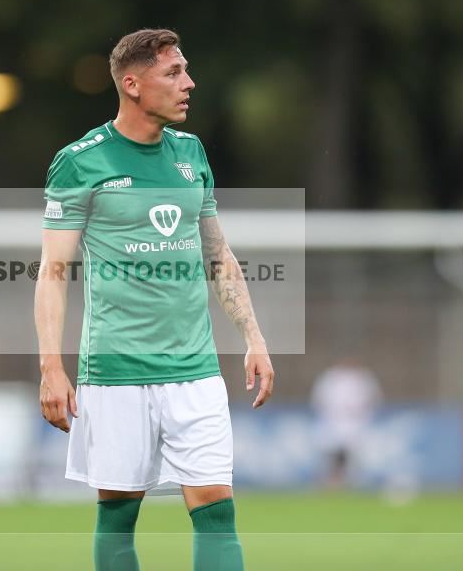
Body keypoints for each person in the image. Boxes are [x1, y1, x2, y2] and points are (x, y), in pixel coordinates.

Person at [34, 28, 274, 570]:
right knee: (118, 513)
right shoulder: (80, 162)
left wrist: (254, 338)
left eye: (185, 71)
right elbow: (52, 271)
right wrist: (51, 365)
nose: (188, 83)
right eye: (174, 73)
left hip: (195, 368)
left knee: (216, 506)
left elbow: (219, 254)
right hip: (116, 371)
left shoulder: (191, 154)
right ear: (132, 84)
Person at [310, 360, 382, 488]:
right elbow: (318, 400)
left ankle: (350, 485)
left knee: (354, 458)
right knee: (330, 456)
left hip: (356, 423)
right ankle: (328, 484)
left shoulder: (363, 378)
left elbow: (374, 400)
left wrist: (363, 416)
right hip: (332, 422)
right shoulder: (330, 377)